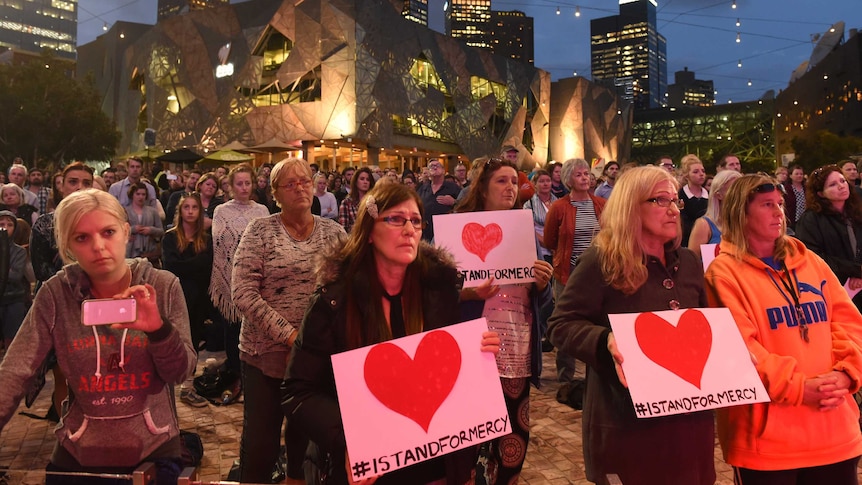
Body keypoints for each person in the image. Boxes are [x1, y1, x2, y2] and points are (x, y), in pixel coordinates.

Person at [283, 182, 499, 484]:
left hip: (436, 467)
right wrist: (349, 440)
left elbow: (448, 376)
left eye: (415, 220)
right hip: (369, 469)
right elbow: (298, 392)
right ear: (370, 231)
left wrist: (477, 355)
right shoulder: (333, 301)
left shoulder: (440, 291)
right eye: (396, 219)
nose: (409, 229)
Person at [0, 189, 196, 484]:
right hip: (79, 451)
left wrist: (159, 330)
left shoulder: (162, 285)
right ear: (68, 246)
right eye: (82, 238)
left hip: (152, 451)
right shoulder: (56, 294)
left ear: (126, 232)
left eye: (108, 232)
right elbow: (15, 371)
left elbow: (180, 372)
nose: (98, 246)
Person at [548, 166, 715, 485]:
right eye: (660, 200)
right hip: (627, 426)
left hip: (689, 430)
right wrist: (605, 340)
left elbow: (703, 326)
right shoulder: (602, 259)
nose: (672, 210)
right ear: (630, 206)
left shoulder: (690, 262)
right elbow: (561, 324)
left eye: (676, 201)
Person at [705, 173, 862, 483]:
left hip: (834, 430)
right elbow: (740, 349)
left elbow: (848, 322)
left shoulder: (810, 262)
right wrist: (800, 388)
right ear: (741, 213)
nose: (779, 212)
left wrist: (846, 373)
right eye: (766, 205)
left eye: (779, 204)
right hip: (768, 443)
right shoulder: (722, 274)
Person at [233, 158, 346, 483]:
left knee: (304, 447)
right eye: (290, 183)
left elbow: (349, 284)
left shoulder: (333, 232)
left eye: (305, 181)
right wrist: (291, 336)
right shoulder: (261, 231)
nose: (299, 187)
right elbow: (242, 292)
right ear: (275, 194)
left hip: (313, 361)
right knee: (260, 447)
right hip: (264, 355)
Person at [455, 158, 553, 484]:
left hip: (517, 348)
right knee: (467, 440)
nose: (510, 187)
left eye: (514, 181)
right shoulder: (459, 229)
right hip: (474, 347)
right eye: (501, 181)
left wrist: (543, 284)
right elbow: (440, 294)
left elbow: (540, 301)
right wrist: (466, 293)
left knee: (513, 444)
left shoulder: (524, 231)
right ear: (482, 187)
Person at [543, 158, 606, 408]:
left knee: (597, 322)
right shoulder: (559, 207)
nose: (584, 178)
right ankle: (565, 377)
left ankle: (596, 376)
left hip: (598, 273)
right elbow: (549, 240)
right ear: (569, 179)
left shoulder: (602, 204)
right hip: (567, 273)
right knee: (567, 323)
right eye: (579, 174)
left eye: (587, 174)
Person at [210, 164, 269, 378]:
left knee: (255, 326)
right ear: (231, 186)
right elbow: (220, 245)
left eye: (247, 183)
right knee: (231, 327)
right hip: (230, 274)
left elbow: (267, 243)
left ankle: (252, 372)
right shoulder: (221, 211)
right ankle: (234, 373)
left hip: (256, 275)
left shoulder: (261, 210)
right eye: (239, 183)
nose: (244, 187)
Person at [795, 165, 862, 311]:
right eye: (833, 184)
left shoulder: (856, 211)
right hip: (833, 288)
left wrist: (859, 274)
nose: (841, 186)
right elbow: (813, 256)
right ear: (820, 193)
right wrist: (855, 271)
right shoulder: (810, 219)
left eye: (842, 181)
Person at [162, 192, 214, 357]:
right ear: (180, 210)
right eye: (186, 207)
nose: (190, 211)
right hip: (177, 293)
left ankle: (191, 369)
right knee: (176, 334)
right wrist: (197, 264)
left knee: (195, 333)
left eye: (194, 207)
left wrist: (188, 266)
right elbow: (171, 266)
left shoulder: (206, 239)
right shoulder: (170, 237)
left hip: (199, 295)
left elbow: (207, 266)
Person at [687, 169, 741, 259]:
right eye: (734, 190)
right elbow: (691, 263)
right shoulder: (704, 225)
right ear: (718, 195)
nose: (739, 194)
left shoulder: (746, 223)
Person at [0, 211, 31, 348]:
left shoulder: (19, 251)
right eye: (1, 224)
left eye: (10, 224)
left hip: (13, 298)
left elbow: (15, 276)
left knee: (11, 338)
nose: (5, 227)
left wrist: (5, 273)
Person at [417, 159, 460, 242]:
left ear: (444, 171)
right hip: (426, 232)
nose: (434, 167)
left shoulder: (453, 187)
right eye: (431, 166)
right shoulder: (422, 189)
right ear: (428, 172)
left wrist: (454, 202)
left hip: (447, 231)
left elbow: (466, 204)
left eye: (437, 165)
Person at [125, 182, 164, 263]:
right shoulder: (125, 211)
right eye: (138, 194)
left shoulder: (152, 211)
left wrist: (151, 230)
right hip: (131, 251)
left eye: (143, 194)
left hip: (150, 251)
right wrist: (133, 229)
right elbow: (120, 229)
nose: (141, 197)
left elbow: (161, 231)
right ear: (132, 195)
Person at [677, 154, 709, 247]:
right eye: (695, 172)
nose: (701, 174)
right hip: (686, 242)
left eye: (703, 171)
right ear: (687, 175)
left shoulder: (710, 195)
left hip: (708, 242)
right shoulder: (680, 195)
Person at [338, 167, 375, 234]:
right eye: (362, 179)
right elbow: (343, 230)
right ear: (355, 181)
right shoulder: (346, 203)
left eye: (368, 180)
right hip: (353, 240)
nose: (365, 182)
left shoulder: (375, 201)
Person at [783, 164, 806, 230]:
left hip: (805, 220)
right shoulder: (786, 189)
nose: (799, 176)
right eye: (796, 174)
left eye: (801, 174)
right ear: (790, 176)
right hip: (792, 221)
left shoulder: (806, 188)